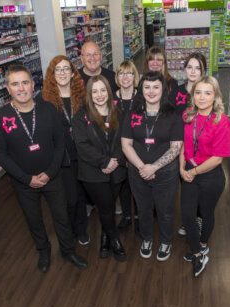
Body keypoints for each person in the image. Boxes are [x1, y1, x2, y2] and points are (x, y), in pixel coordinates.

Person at [0, 64, 88, 273]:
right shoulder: (1, 117)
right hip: (23, 182)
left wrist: (51, 172)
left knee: (61, 216)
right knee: (33, 219)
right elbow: (1, 154)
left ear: (32, 84)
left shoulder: (48, 109)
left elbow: (59, 143)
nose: (21, 88)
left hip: (52, 176)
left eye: (25, 82)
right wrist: (27, 179)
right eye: (15, 84)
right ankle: (43, 252)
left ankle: (68, 250)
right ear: (8, 89)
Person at [121, 71, 183, 262]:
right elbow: (126, 144)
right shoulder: (133, 113)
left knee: (165, 210)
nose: (151, 91)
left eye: (156, 87)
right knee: (143, 209)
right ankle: (147, 238)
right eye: (147, 87)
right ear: (141, 89)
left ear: (163, 89)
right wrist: (142, 167)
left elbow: (176, 147)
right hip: (137, 172)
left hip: (165, 173)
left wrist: (153, 167)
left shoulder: (173, 114)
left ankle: (166, 241)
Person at [179, 76, 230, 277]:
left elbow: (218, 159)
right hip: (189, 172)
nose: (202, 97)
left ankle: (202, 245)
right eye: (198, 92)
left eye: (207, 93)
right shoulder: (188, 115)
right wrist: (181, 168)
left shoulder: (222, 121)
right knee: (187, 214)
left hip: (210, 176)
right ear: (193, 95)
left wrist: (192, 172)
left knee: (206, 213)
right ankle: (197, 252)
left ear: (215, 96)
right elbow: (184, 143)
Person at [72, 75, 127, 262]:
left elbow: (125, 141)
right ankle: (115, 240)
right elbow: (82, 145)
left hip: (117, 170)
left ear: (109, 92)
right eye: (94, 91)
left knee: (109, 207)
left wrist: (115, 160)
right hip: (93, 172)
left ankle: (104, 238)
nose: (99, 95)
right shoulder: (81, 116)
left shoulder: (118, 113)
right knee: (105, 205)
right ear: (89, 94)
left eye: (103, 90)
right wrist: (104, 162)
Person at [41, 55, 90, 246]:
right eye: (58, 70)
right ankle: (68, 231)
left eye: (66, 69)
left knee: (81, 195)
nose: (62, 73)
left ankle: (81, 229)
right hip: (61, 157)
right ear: (52, 74)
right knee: (68, 198)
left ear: (72, 73)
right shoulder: (44, 99)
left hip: (82, 153)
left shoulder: (82, 96)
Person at [173, 52, 207, 236]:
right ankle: (188, 219)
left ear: (203, 71)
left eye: (198, 68)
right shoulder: (177, 91)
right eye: (190, 67)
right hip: (180, 148)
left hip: (201, 149)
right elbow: (170, 116)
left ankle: (198, 219)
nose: (193, 71)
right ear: (185, 69)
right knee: (186, 186)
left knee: (200, 185)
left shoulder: (206, 92)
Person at [113, 60, 140, 232]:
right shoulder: (112, 98)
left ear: (134, 76)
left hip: (137, 148)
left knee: (138, 186)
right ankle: (127, 216)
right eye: (121, 73)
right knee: (122, 184)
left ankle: (139, 216)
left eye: (129, 73)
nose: (125, 77)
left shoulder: (141, 96)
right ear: (117, 76)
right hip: (117, 149)